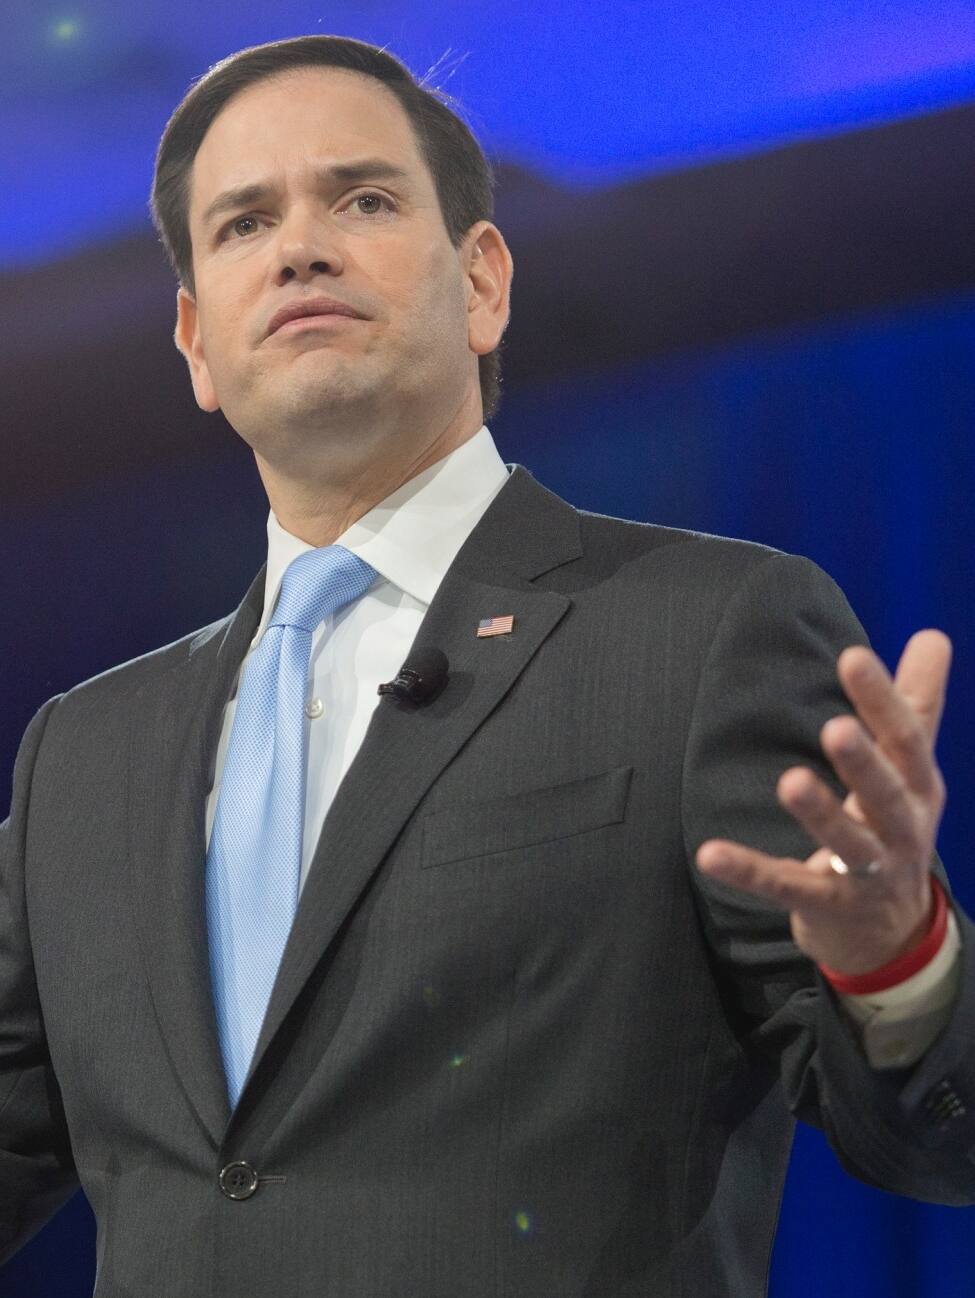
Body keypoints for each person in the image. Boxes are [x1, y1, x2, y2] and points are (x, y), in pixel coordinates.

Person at [1, 34, 972, 1298]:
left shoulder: (705, 628)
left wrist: (896, 957)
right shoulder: (84, 753)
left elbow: (935, 1135)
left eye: (363, 198)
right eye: (243, 223)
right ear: (194, 343)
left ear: (484, 281)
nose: (299, 246)